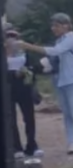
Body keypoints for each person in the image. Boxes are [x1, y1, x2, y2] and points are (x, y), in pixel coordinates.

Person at [17, 13, 73, 155]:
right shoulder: (60, 41)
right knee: (67, 114)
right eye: (53, 26)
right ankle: (71, 142)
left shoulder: (72, 39)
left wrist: (28, 46)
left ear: (66, 25)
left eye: (56, 25)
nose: (53, 28)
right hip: (61, 81)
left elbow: (55, 51)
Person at [6, 27, 40, 158]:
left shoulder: (24, 54)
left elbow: (33, 68)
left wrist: (29, 74)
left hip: (24, 87)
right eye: (9, 36)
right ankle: (17, 147)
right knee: (11, 119)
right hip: (9, 89)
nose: (12, 40)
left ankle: (32, 145)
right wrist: (13, 74)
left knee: (29, 117)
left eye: (14, 36)